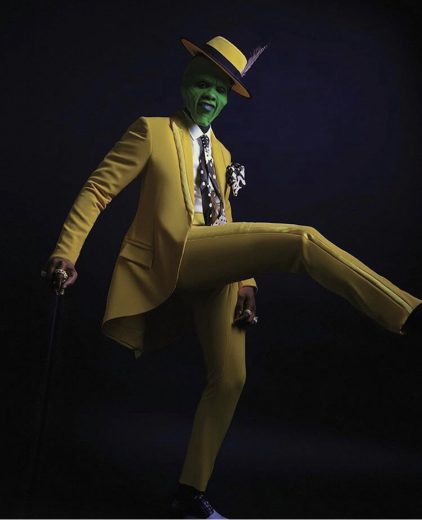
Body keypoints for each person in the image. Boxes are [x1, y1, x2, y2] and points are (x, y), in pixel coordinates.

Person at [44, 36, 422, 519]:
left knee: (230, 379)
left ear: (226, 100)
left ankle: (189, 496)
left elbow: (227, 222)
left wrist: (247, 283)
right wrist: (65, 252)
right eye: (203, 84)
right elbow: (98, 191)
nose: (210, 96)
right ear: (186, 86)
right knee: (301, 240)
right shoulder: (151, 131)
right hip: (177, 255)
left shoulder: (221, 153)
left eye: (220, 90)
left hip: (215, 263)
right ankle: (407, 312)